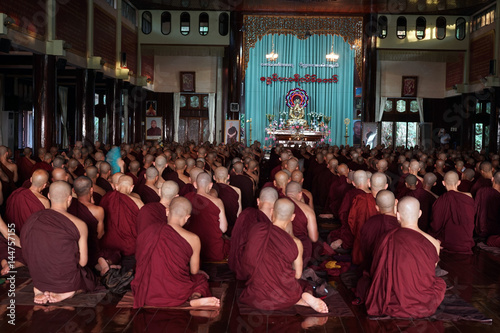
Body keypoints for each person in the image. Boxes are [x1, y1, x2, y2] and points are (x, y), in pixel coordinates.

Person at [239, 199, 328, 313]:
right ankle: (303, 297)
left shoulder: (256, 230)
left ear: (272, 212)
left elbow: (247, 263)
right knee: (305, 285)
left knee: (257, 286)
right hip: (287, 294)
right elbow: (297, 275)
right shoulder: (296, 243)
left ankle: (297, 299)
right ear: (293, 217)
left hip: (258, 295)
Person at [365, 197, 445, 318]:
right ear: (419, 214)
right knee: (440, 283)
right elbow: (428, 273)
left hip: (392, 300)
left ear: (397, 215)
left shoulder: (386, 238)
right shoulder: (433, 243)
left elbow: (376, 268)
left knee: (364, 283)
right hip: (422, 301)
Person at [132, 197, 220, 308]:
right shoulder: (193, 238)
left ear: (167, 211)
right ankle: (195, 297)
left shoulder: (150, 231)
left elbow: (140, 258)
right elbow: (194, 271)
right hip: (178, 293)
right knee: (200, 279)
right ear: (187, 217)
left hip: (148, 294)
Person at [21, 181, 99, 304]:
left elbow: (25, 251)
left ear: (49, 196)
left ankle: (39, 288)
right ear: (70, 198)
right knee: (90, 279)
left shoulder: (32, 219)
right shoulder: (79, 224)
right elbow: (82, 262)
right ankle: (68, 290)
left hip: (39, 277)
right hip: (65, 279)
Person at [229, 187, 278, 280]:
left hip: (238, 265)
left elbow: (235, 238)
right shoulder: (277, 221)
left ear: (258, 201)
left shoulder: (245, 214)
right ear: (276, 204)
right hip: (263, 271)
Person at [184, 173, 229, 261]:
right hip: (212, 249)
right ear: (211, 185)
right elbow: (223, 229)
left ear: (195, 184)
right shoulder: (217, 202)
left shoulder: (187, 198)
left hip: (190, 248)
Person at [430, 171, 474, 254]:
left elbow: (435, 225)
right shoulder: (468, 198)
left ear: (443, 183)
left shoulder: (441, 200)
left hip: (447, 241)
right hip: (466, 241)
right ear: (459, 182)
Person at [100, 175, 144, 257]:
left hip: (108, 244)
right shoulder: (138, 203)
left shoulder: (106, 198)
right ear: (132, 187)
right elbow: (143, 226)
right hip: (130, 246)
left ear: (116, 186)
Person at [348, 172, 387, 265]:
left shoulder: (359, 199)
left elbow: (351, 221)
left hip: (361, 246)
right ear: (386, 186)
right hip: (382, 250)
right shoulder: (391, 203)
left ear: (369, 183)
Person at [5, 169, 50, 234]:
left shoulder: (16, 193)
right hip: (29, 236)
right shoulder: (44, 201)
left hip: (12, 233)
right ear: (45, 185)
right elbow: (45, 224)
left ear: (31, 179)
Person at [286, 181, 318, 265]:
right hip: (302, 246)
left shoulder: (278, 205)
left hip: (282, 246)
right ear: (300, 194)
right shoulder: (307, 210)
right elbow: (314, 238)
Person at [213, 166, 241, 234]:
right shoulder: (237, 190)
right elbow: (239, 213)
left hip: (215, 228)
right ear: (228, 177)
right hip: (231, 228)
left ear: (214, 177)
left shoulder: (210, 190)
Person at [474, 172, 500, 239]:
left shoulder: (482, 191)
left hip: (480, 229)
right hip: (497, 232)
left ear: (492, 179)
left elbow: (474, 209)